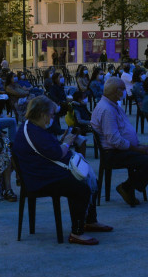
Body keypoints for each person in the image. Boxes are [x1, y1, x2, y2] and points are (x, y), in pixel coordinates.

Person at [11, 97, 112, 245]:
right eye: (52, 114)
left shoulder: (34, 127)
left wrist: (64, 139)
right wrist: (67, 142)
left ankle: (89, 220)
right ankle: (77, 232)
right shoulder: (34, 132)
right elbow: (57, 153)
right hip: (40, 178)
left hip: (44, 171)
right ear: (42, 114)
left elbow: (50, 149)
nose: (53, 117)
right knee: (80, 188)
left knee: (89, 179)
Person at [90, 78, 148, 207]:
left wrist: (138, 145)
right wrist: (136, 149)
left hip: (125, 148)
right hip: (114, 153)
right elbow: (114, 140)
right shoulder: (106, 110)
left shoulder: (114, 105)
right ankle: (126, 187)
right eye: (123, 89)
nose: (125, 91)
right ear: (115, 91)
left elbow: (125, 130)